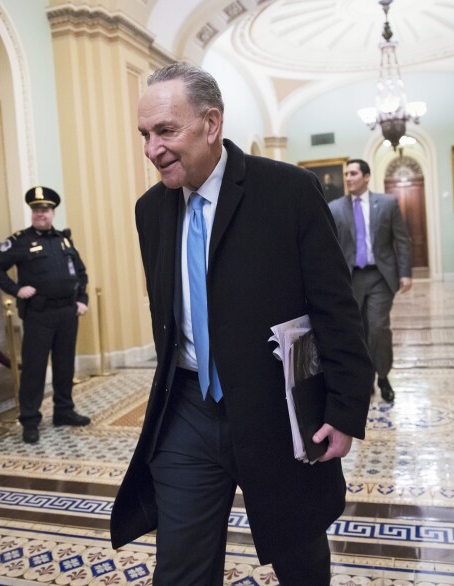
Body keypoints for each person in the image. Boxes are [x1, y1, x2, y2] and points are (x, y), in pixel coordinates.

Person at [110, 62, 372, 585]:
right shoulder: (150, 212)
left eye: (166, 131)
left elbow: (335, 308)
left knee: (300, 559)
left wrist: (345, 409)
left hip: (279, 412)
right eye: (144, 134)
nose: (151, 149)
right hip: (187, 409)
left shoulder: (288, 192)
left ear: (211, 124)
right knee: (180, 567)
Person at [0, 187, 91, 444]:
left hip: (67, 312)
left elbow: (81, 272)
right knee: (34, 369)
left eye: (44, 210)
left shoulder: (64, 241)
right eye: (35, 210)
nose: (39, 214)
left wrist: (81, 299)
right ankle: (30, 420)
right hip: (39, 315)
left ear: (53, 212)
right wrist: (16, 289)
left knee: (65, 365)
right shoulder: (20, 241)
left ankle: (63, 411)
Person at [328, 159, 412, 404]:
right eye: (346, 174)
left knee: (377, 327)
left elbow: (402, 240)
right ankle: (363, 378)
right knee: (356, 331)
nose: (348, 178)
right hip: (350, 279)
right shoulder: (334, 208)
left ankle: (383, 376)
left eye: (353, 173)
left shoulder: (387, 203)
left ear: (366, 177)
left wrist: (405, 272)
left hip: (380, 277)